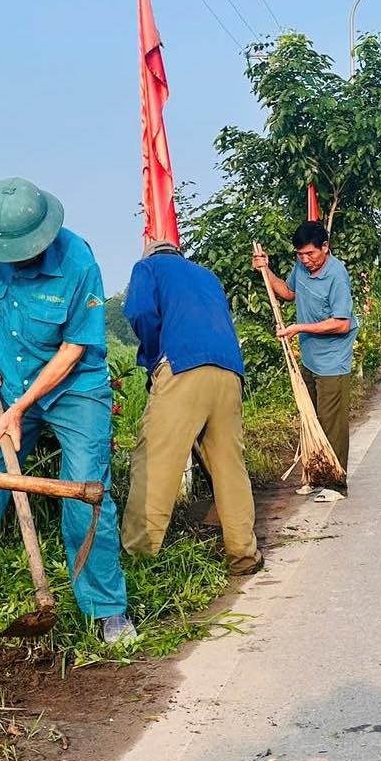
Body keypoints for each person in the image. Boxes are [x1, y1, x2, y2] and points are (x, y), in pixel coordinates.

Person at [0, 178, 135, 643]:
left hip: (74, 388)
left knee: (84, 489)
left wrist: (20, 408)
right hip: (7, 380)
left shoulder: (77, 263)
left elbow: (74, 349)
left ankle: (107, 609)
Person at [121, 239, 261, 576]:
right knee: (228, 465)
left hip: (183, 366)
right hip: (229, 372)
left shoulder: (148, 267)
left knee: (155, 460)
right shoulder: (206, 276)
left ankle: (139, 559)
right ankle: (243, 555)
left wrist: (154, 357)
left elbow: (141, 313)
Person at [253, 221, 357, 502]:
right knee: (310, 418)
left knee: (331, 422)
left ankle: (336, 483)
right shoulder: (301, 267)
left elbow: (342, 324)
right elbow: (288, 293)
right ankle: (315, 475)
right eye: (300, 255)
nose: (306, 260)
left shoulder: (337, 275)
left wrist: (299, 328)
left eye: (311, 254)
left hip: (333, 361)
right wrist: (266, 270)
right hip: (310, 358)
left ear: (325, 247)